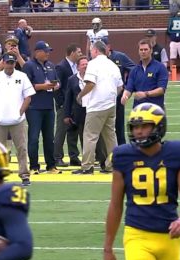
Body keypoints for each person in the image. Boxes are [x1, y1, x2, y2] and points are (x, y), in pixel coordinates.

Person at [103, 103, 180, 260]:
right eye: (135, 127)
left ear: (159, 126)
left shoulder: (176, 153)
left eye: (144, 126)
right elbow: (115, 205)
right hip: (137, 236)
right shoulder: (123, 156)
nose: (139, 131)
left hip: (169, 237)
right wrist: (108, 246)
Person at [0, 53, 35, 186]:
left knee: (22, 148)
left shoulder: (22, 76)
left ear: (15, 63)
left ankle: (24, 174)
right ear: (3, 62)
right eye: (7, 62)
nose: (10, 65)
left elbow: (28, 97)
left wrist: (20, 113)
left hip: (17, 121)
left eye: (12, 63)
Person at [73, 40, 123, 175]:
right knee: (110, 136)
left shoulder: (93, 64)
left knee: (90, 136)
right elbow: (119, 87)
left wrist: (80, 96)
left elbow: (90, 84)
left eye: (91, 50)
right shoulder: (113, 65)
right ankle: (112, 164)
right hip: (111, 105)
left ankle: (87, 166)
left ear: (95, 50)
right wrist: (110, 96)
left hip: (96, 105)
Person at [23, 41, 61, 174]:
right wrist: (42, 86)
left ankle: (51, 165)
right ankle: (34, 166)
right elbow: (26, 86)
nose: (47, 54)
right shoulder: (29, 66)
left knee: (49, 137)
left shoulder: (51, 65)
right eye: (45, 51)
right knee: (34, 137)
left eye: (48, 51)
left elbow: (57, 81)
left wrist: (56, 85)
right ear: (37, 52)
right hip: (34, 107)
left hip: (49, 106)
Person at [103, 37, 136, 145]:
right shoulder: (96, 60)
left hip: (117, 96)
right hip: (103, 97)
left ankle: (122, 148)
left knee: (118, 124)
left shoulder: (119, 56)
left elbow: (134, 69)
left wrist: (127, 84)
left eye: (104, 46)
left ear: (109, 46)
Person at [54, 44, 82, 167]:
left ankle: (73, 156)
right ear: (72, 53)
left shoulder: (77, 66)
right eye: (79, 52)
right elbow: (57, 87)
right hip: (64, 105)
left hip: (75, 105)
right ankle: (57, 157)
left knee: (73, 131)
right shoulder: (61, 67)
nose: (80, 54)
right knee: (61, 131)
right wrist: (61, 104)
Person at [121, 39, 169, 110]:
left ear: (151, 50)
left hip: (155, 110)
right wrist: (125, 96)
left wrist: (146, 94)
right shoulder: (134, 70)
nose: (143, 52)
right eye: (141, 50)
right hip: (138, 110)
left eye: (146, 49)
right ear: (138, 51)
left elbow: (161, 89)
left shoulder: (160, 67)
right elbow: (129, 88)